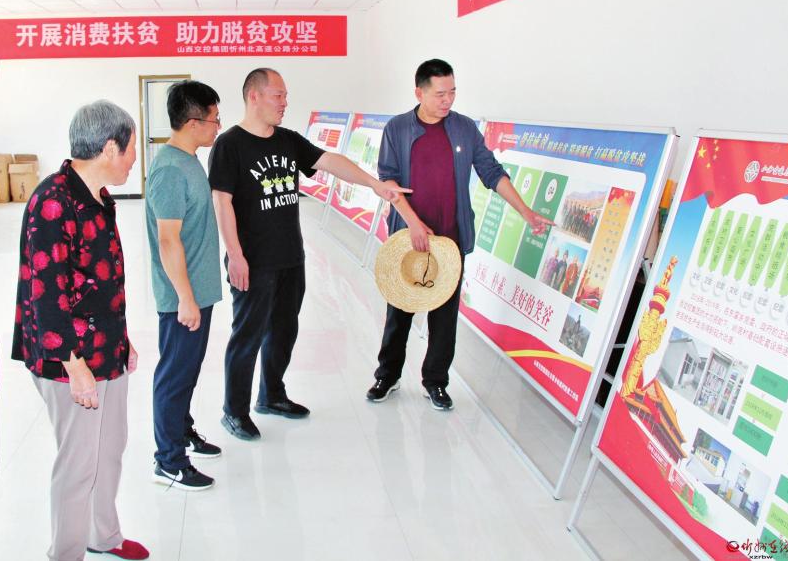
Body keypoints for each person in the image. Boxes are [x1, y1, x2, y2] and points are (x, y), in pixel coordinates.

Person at [208, 67, 409, 440]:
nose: (285, 102)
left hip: (290, 257)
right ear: (254, 96)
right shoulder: (230, 144)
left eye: (285, 96)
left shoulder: (287, 140)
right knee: (247, 335)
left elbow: (329, 161)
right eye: (278, 95)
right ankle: (233, 411)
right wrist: (235, 255)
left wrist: (374, 184)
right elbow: (222, 202)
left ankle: (271, 395)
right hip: (252, 261)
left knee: (284, 331)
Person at [366, 59, 552, 410]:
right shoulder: (398, 128)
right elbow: (388, 180)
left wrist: (525, 212)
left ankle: (435, 382)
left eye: (452, 92)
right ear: (419, 92)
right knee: (400, 310)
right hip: (409, 238)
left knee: (445, 316)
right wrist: (413, 223)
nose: (447, 100)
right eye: (440, 94)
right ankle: (386, 376)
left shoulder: (464, 129)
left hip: (450, 240)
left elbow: (491, 172)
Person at [12, 100, 148, 561]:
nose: (134, 158)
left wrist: (122, 338)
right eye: (131, 148)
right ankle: (66, 553)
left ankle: (102, 535)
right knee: (78, 462)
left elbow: (100, 281)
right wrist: (75, 367)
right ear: (110, 148)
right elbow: (46, 293)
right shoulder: (54, 202)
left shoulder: (99, 198)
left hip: (105, 347)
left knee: (109, 449)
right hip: (68, 357)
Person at [145, 80, 223, 491]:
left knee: (187, 371)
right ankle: (169, 461)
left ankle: (183, 431)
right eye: (214, 119)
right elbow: (168, 240)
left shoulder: (189, 160)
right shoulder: (171, 170)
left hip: (197, 292)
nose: (217, 126)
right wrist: (185, 299)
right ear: (193, 122)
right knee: (174, 376)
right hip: (183, 298)